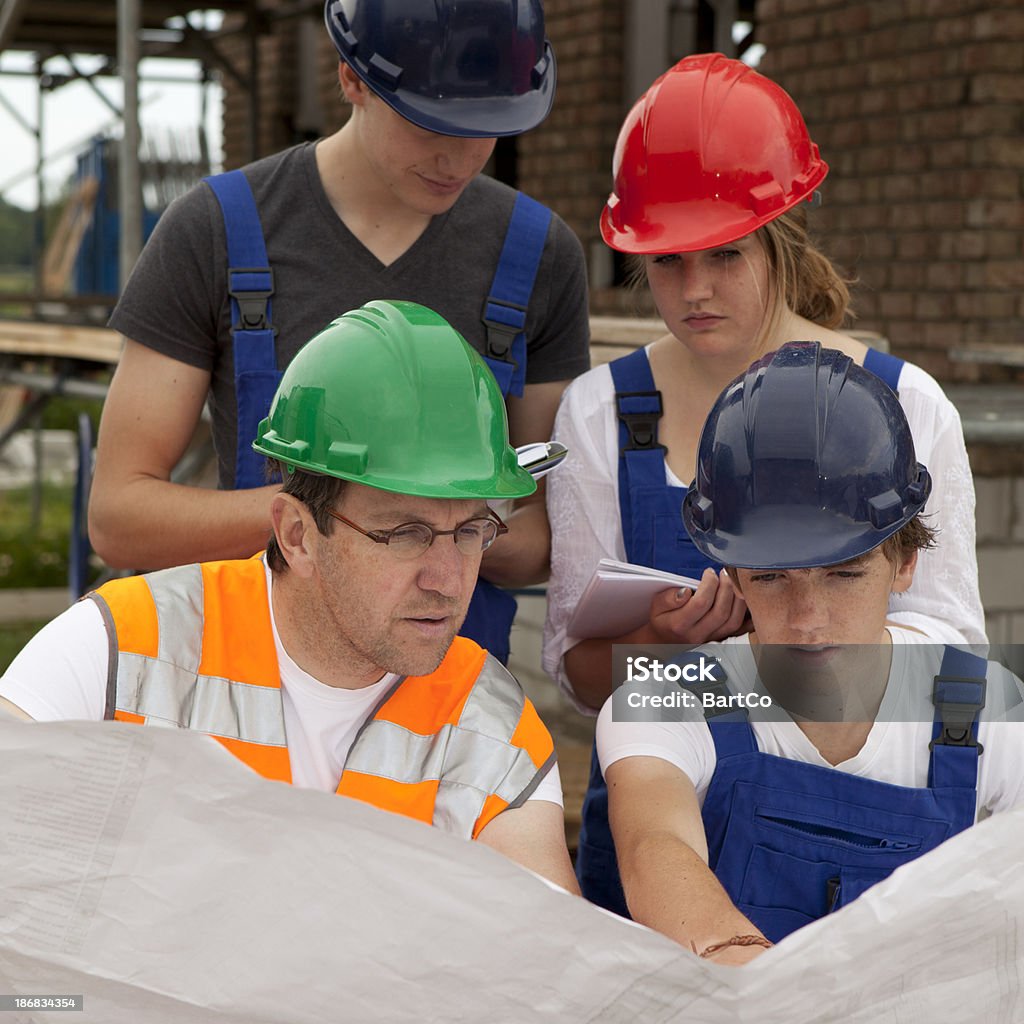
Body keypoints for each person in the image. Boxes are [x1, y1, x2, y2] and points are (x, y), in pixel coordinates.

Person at [542, 52, 985, 912]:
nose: (694, 290)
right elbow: (580, 672)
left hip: (877, 830)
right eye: (667, 262)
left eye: (725, 255)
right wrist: (667, 654)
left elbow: (951, 664)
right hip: (659, 826)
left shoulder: (908, 403)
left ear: (781, 235)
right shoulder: (602, 413)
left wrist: (749, 651)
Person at [1, 301, 579, 893]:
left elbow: (552, 955)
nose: (448, 579)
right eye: (404, 534)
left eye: (469, 531)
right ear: (297, 535)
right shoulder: (121, 647)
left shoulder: (487, 719)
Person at [88, 0, 591, 664]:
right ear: (351, 79)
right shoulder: (215, 232)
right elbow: (119, 517)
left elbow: (543, 534)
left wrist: (420, 530)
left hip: (442, 706)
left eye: (488, 125)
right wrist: (340, 519)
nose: (459, 157)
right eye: (427, 122)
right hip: (253, 684)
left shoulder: (538, 254)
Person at [598, 342, 1023, 963]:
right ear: (733, 574)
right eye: (772, 578)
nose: (808, 621)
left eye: (843, 574)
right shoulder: (663, 704)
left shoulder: (988, 712)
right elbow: (654, 851)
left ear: (904, 562)